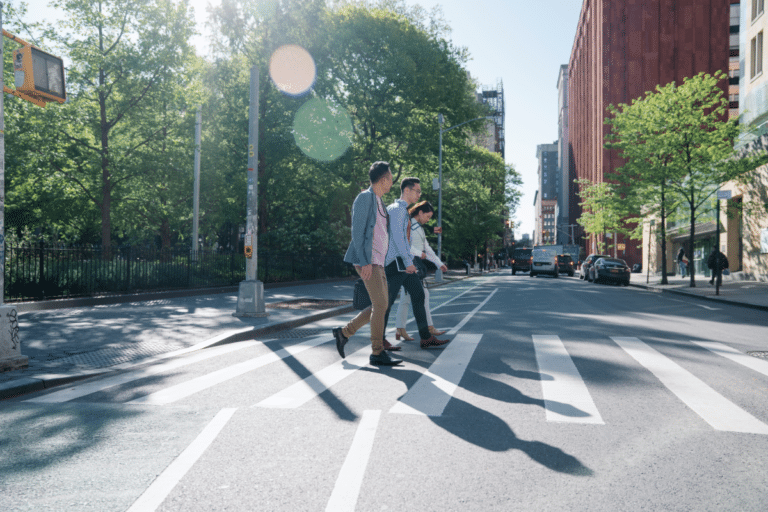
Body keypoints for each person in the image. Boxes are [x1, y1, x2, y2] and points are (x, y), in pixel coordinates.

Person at [332, 161, 402, 367]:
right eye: (390, 178)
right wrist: (365, 262)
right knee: (381, 305)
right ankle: (377, 352)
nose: (391, 182)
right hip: (368, 261)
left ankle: (344, 333)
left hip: (378, 261)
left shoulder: (380, 202)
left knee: (379, 305)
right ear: (383, 180)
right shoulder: (365, 198)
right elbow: (357, 232)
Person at [383, 178, 450, 349]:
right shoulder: (397, 210)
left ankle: (426, 338)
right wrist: (408, 261)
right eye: (417, 191)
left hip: (403, 264)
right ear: (407, 190)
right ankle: (378, 339)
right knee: (386, 303)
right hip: (394, 264)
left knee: (418, 295)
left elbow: (406, 242)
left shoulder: (402, 211)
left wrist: (435, 262)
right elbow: (399, 240)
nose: (419, 194)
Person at [394, 201, 448, 342]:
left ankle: (401, 328)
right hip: (408, 265)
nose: (428, 220)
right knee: (422, 295)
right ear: (420, 213)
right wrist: (420, 253)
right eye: (428, 216)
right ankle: (427, 329)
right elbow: (402, 245)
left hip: (413, 265)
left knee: (407, 299)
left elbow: (427, 248)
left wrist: (439, 263)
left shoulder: (419, 228)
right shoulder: (409, 226)